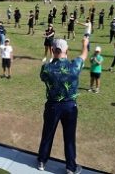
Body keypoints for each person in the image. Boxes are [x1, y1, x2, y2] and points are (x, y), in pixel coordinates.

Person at [37, 37, 88, 174]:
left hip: (52, 106)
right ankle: (70, 167)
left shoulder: (46, 68)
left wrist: (53, 60)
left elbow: (43, 76)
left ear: (52, 50)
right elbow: (84, 55)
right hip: (70, 107)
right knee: (69, 137)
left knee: (47, 134)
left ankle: (42, 161)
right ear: (67, 51)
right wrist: (84, 44)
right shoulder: (74, 66)